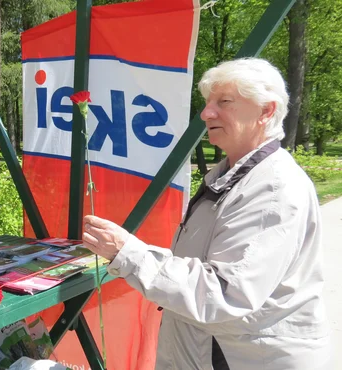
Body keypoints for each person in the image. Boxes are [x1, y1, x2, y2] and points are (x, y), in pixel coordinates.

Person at [82, 58, 332, 369]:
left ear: (265, 112)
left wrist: (129, 253)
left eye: (224, 102)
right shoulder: (234, 175)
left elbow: (224, 292)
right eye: (208, 102)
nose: (206, 113)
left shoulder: (273, 190)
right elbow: (207, 264)